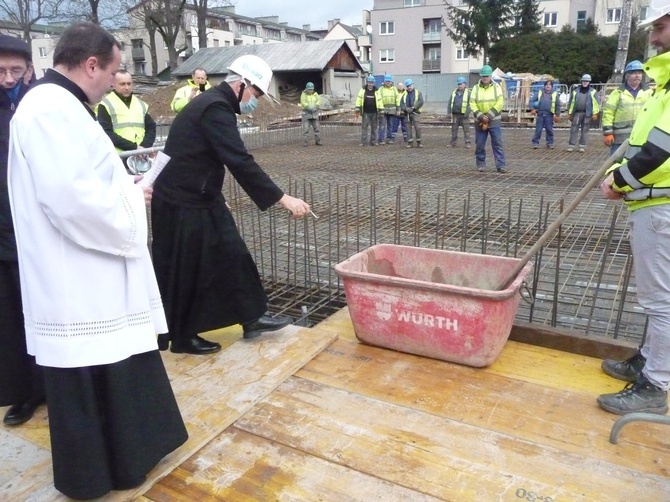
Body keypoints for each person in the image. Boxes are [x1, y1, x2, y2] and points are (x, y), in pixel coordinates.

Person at [7, 23, 187, 499]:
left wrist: (123, 189)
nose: (114, 82)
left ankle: (126, 460)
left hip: (89, 267)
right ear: (91, 65)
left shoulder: (62, 105)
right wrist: (131, 199)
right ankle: (101, 472)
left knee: (114, 366)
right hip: (78, 275)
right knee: (95, 370)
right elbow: (70, 199)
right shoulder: (49, 108)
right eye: (113, 71)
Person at [151, 54, 311, 355]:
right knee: (188, 268)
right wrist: (282, 198)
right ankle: (182, 336)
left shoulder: (216, 104)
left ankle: (252, 317)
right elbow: (238, 159)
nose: (256, 101)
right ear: (241, 84)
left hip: (201, 196)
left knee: (232, 252)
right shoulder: (215, 108)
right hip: (182, 201)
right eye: (256, 94)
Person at [597, 3, 670, 416]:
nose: (654, 38)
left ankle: (655, 384)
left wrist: (620, 181)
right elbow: (647, 144)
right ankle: (649, 359)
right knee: (659, 297)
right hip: (654, 203)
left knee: (661, 301)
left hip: (661, 207)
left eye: (659, 27)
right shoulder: (665, 86)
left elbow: (662, 150)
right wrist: (619, 170)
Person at [0, 35, 46, 427]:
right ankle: (26, 392)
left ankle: (58, 382)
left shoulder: (38, 106)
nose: (8, 77)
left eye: (16, 70)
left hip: (38, 228)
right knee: (12, 315)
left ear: (29, 69)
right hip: (3, 232)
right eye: (0, 70)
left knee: (45, 307)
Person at [97, 69, 157, 173]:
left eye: (129, 84)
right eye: (122, 84)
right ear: (113, 84)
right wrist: (135, 148)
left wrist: (143, 148)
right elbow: (106, 133)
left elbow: (151, 127)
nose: (127, 87)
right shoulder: (105, 105)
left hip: (141, 159)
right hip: (118, 159)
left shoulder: (140, 104)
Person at [602, 60, 649, 155]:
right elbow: (608, 113)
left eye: (639, 73)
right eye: (634, 73)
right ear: (627, 75)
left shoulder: (648, 93)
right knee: (617, 164)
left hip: (641, 137)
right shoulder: (617, 93)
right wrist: (608, 133)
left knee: (638, 166)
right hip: (620, 139)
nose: (638, 76)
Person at [470, 65, 507, 173]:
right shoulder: (476, 88)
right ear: (481, 76)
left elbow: (500, 102)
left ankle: (501, 165)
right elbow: (472, 103)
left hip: (494, 120)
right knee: (480, 144)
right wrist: (481, 116)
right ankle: (481, 164)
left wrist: (489, 115)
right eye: (483, 76)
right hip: (480, 121)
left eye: (487, 76)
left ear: (490, 76)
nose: (485, 78)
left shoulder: (496, 87)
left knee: (497, 143)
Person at [566, 74, 600, 152]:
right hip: (577, 113)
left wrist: (595, 113)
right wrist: (570, 113)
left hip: (587, 114)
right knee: (574, 129)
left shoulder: (593, 92)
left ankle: (582, 146)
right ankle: (571, 145)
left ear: (589, 82)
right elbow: (571, 102)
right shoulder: (575, 91)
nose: (585, 83)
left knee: (585, 130)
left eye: (587, 81)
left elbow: (596, 103)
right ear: (581, 81)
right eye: (584, 81)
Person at [530, 80, 559, 150]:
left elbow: (558, 105)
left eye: (549, 85)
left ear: (552, 86)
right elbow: (531, 101)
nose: (548, 86)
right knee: (538, 130)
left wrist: (557, 114)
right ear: (544, 86)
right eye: (547, 84)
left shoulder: (555, 94)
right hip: (540, 114)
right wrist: (532, 109)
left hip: (549, 115)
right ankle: (535, 143)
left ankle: (550, 143)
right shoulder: (539, 92)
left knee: (549, 130)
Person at [355, 75, 383, 146]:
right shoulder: (363, 90)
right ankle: (363, 142)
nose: (370, 84)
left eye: (372, 83)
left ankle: (373, 141)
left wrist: (381, 110)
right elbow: (359, 99)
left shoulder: (377, 91)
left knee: (374, 128)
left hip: (374, 112)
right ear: (367, 82)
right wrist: (357, 108)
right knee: (364, 127)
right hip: (366, 112)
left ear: (374, 83)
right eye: (369, 82)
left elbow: (380, 101)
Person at [448, 76, 472, 148]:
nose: (459, 86)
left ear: (465, 84)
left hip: (464, 115)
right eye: (458, 84)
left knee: (466, 130)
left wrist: (467, 113)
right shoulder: (454, 92)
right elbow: (450, 102)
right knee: (454, 129)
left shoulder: (468, 93)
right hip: (455, 115)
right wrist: (449, 112)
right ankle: (453, 142)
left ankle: (467, 143)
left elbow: (471, 104)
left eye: (461, 84)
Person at [401, 79, 424, 148]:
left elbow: (420, 101)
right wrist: (405, 108)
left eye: (410, 85)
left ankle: (419, 142)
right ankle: (410, 142)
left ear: (413, 85)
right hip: (407, 114)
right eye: (408, 86)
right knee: (408, 128)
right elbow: (401, 103)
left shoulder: (418, 92)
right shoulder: (404, 94)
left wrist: (414, 107)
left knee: (418, 128)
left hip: (416, 113)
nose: (409, 87)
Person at [377, 74, 399, 144]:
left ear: (391, 81)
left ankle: (389, 138)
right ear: (384, 81)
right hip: (383, 110)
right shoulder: (381, 89)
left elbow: (397, 99)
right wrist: (380, 109)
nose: (388, 82)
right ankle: (381, 139)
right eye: (386, 81)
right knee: (382, 125)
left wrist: (398, 108)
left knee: (390, 125)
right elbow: (379, 99)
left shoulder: (394, 89)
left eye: (389, 81)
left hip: (392, 110)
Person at [300, 81, 321, 146]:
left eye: (311, 89)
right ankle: (305, 142)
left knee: (317, 128)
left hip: (314, 113)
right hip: (306, 114)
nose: (310, 91)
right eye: (309, 89)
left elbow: (319, 101)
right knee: (306, 129)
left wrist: (316, 106)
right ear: (306, 89)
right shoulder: (303, 94)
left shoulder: (316, 94)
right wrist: (308, 107)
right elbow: (303, 102)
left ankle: (318, 142)